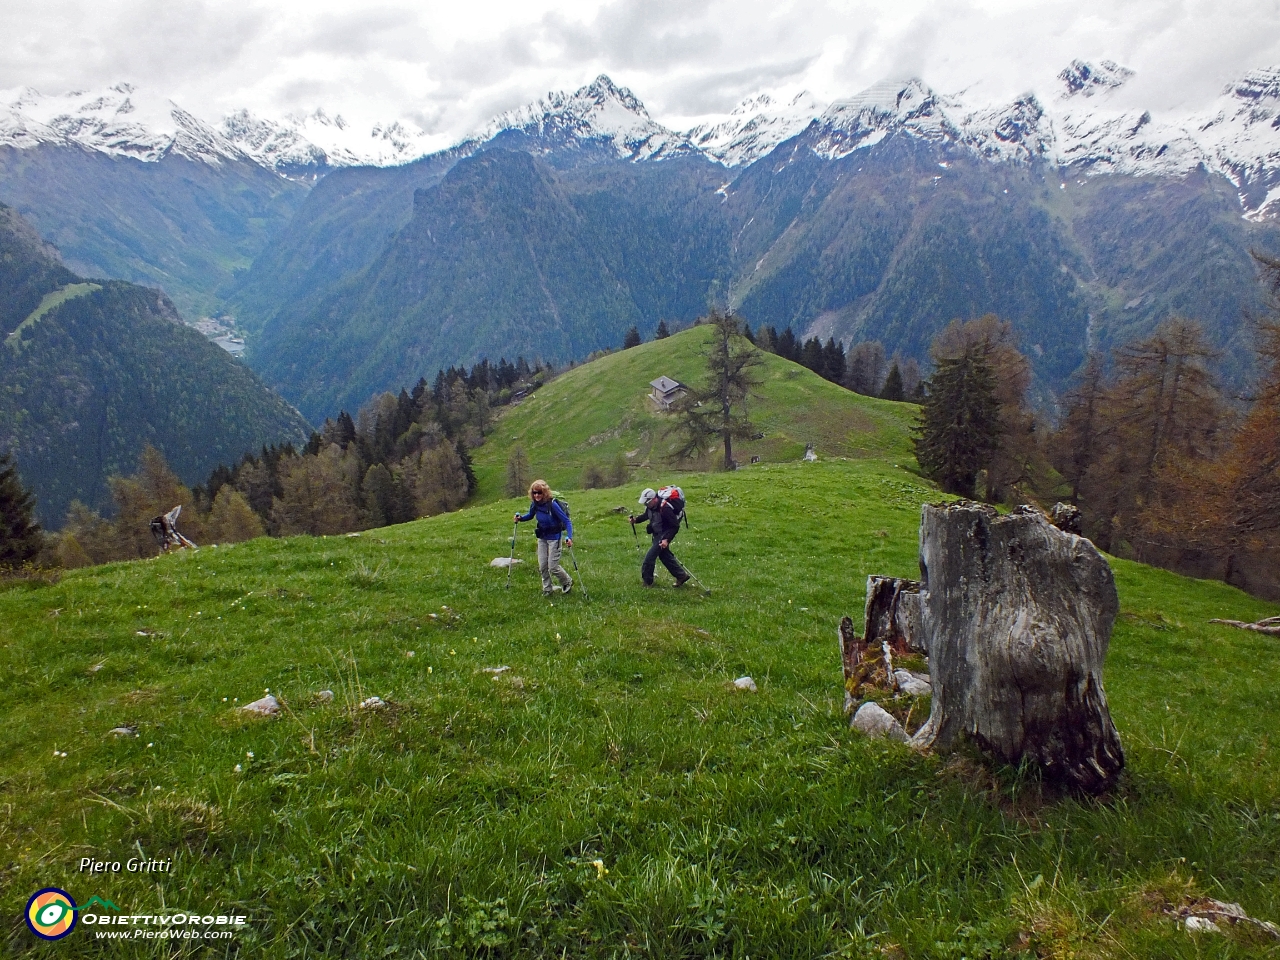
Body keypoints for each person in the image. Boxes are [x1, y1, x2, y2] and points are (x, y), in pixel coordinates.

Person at [515, 479, 573, 596]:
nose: (537, 495)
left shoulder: (552, 505)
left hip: (554, 538)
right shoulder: (535, 505)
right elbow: (530, 516)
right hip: (542, 537)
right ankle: (547, 589)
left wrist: (569, 537)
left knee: (553, 567)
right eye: (534, 493)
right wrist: (520, 518)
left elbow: (567, 521)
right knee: (542, 566)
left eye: (539, 493)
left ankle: (567, 581)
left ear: (544, 492)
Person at [630, 487, 690, 588]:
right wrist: (636, 520)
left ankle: (647, 582)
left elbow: (675, 526)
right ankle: (681, 576)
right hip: (658, 532)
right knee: (664, 555)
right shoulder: (651, 506)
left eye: (647, 503)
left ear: (654, 499)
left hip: (664, 533)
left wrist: (666, 539)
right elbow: (647, 515)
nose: (646, 505)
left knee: (649, 558)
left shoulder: (665, 508)